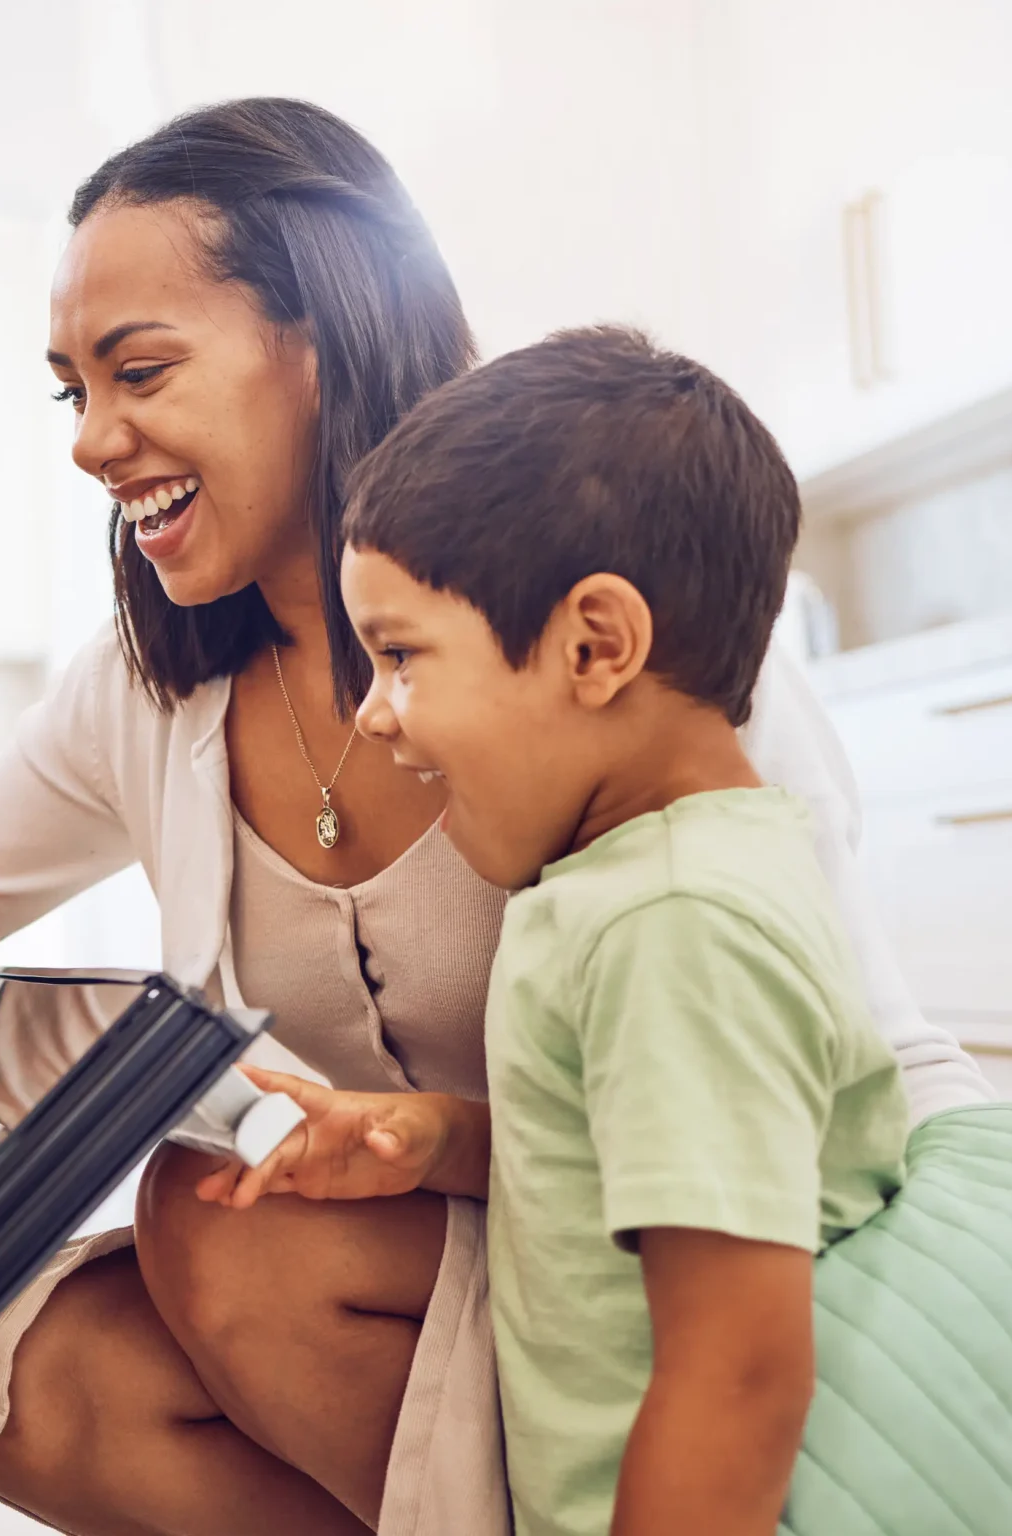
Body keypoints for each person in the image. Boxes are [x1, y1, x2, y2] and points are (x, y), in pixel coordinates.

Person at [0, 99, 987, 1535]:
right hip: (525, 1239)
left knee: (230, 1243)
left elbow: (829, 1089)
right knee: (8, 1339)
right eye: (74, 391)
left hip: (696, 1285)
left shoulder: (641, 696)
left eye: (138, 369)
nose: (91, 442)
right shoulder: (156, 690)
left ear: (318, 345)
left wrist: (976, 1339)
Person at [212, 326, 910, 1536]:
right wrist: (434, 1139)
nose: (371, 716)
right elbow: (623, 1175)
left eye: (398, 657)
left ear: (595, 646)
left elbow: (735, 1371)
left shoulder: (672, 927)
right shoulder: (640, 891)